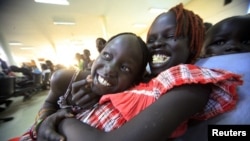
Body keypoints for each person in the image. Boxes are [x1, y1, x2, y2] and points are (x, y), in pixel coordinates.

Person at [36, 3, 242, 141]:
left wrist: (58, 120)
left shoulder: (189, 83)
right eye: (151, 39)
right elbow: (59, 90)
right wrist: (97, 91)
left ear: (193, 44)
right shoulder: (142, 79)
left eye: (170, 36)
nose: (157, 44)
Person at [19, 32, 149, 141]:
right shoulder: (64, 79)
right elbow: (48, 103)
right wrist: (42, 123)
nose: (109, 69)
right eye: (107, 56)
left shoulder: (129, 97)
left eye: (125, 68)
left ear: (136, 78)